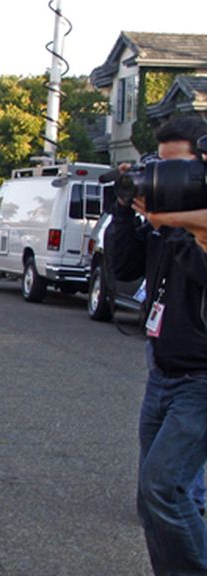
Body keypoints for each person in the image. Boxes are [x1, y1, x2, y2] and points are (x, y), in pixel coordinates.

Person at [107, 115, 207, 574]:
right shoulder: (165, 225)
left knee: (168, 489)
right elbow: (123, 269)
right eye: (157, 165)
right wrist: (126, 208)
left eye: (175, 168)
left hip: (200, 381)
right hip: (161, 372)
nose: (162, 177)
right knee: (152, 499)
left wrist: (181, 224)